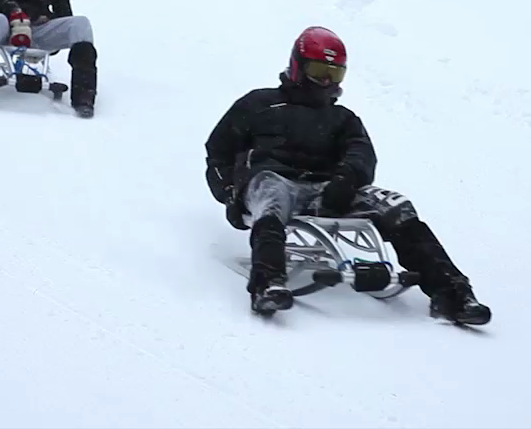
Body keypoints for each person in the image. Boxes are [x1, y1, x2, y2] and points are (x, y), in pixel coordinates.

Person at [204, 26, 491, 324]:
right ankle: (268, 282)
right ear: (298, 67)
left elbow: (361, 154)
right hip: (275, 182)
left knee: (397, 205)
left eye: (335, 74)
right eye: (318, 71)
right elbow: (218, 151)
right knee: (271, 192)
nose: (326, 81)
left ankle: (454, 292)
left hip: (328, 190)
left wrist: (345, 181)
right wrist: (229, 192)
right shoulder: (258, 104)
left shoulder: (343, 119)